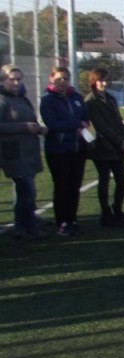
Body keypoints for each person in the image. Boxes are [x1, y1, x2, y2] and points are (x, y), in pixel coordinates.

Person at [39, 67, 90, 237]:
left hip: (78, 148)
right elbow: (53, 124)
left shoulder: (76, 97)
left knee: (75, 186)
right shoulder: (48, 100)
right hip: (58, 149)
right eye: (59, 78)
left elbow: (85, 117)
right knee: (62, 186)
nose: (62, 82)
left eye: (65, 78)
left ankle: (72, 219)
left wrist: (82, 124)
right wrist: (76, 123)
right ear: (51, 78)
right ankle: (61, 222)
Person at [0, 66, 48, 239]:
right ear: (3, 80)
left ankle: (21, 225)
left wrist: (39, 129)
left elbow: (30, 120)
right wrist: (24, 127)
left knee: (24, 192)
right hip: (14, 152)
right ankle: (29, 227)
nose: (16, 83)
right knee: (27, 191)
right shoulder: (2, 100)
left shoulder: (22, 98)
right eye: (12, 79)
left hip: (29, 151)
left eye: (18, 79)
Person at [84, 67, 124, 226]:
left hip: (117, 146)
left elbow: (118, 121)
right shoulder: (91, 101)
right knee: (104, 180)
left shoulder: (110, 98)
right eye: (100, 80)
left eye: (106, 80)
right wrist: (119, 141)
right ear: (94, 81)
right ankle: (106, 214)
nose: (104, 83)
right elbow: (100, 126)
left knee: (121, 180)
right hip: (102, 147)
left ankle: (118, 209)